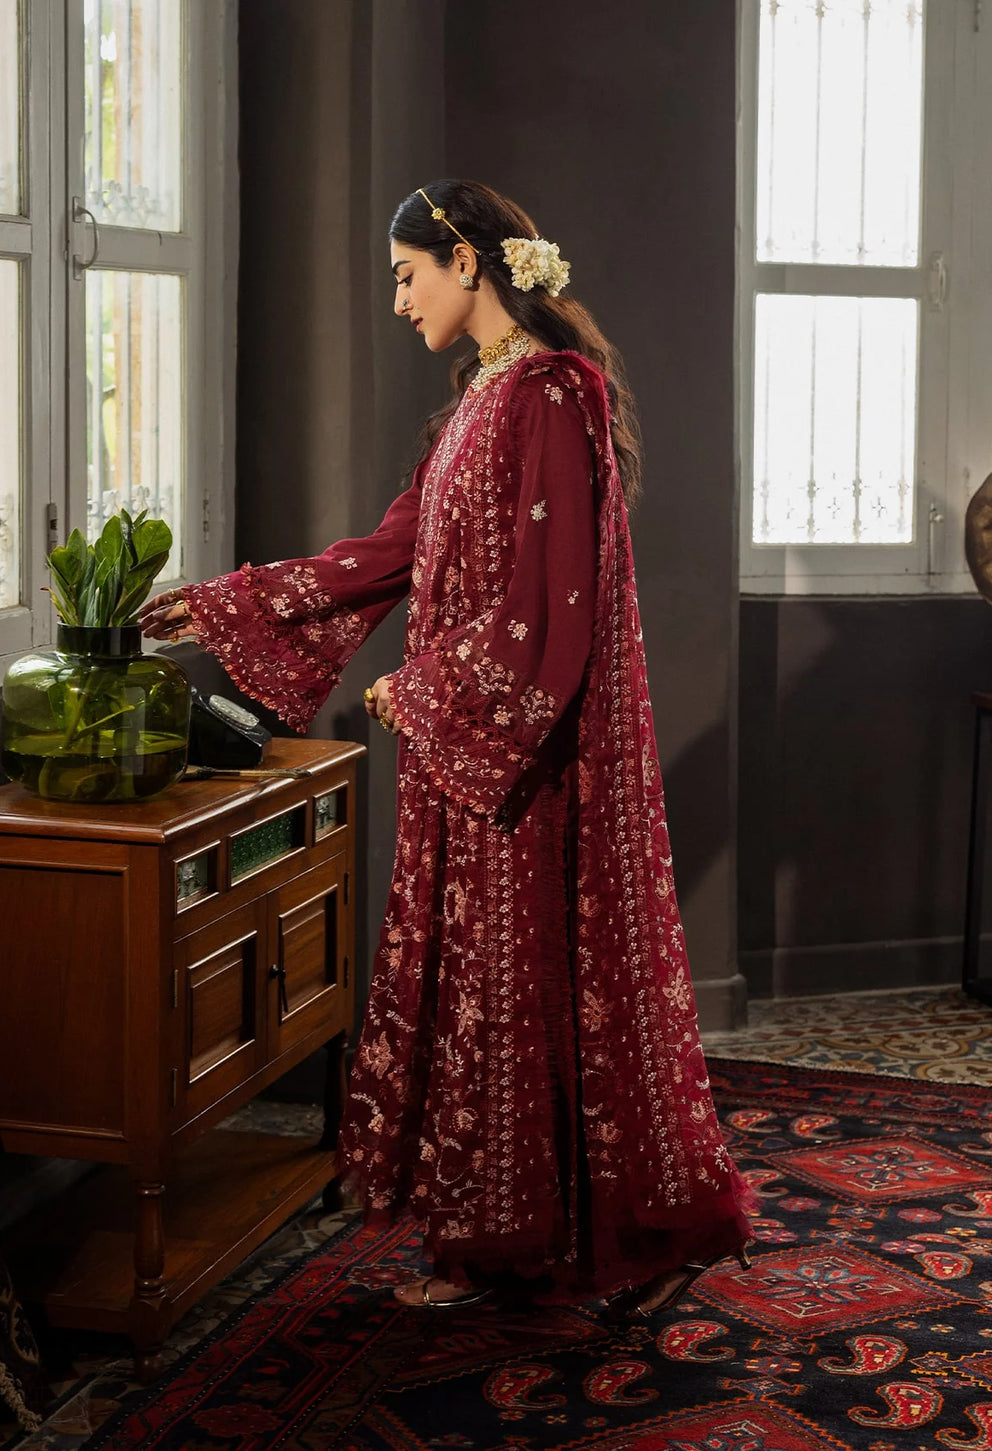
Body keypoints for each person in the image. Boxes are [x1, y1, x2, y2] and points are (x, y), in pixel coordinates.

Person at [140, 180, 754, 1316]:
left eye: (403, 273)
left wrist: (426, 688)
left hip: (520, 755)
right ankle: (494, 1229)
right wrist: (226, 602)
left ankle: (523, 1242)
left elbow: (551, 605)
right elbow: (392, 549)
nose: (394, 299)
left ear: (466, 260)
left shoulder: (552, 394)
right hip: (463, 744)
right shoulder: (483, 395)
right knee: (480, 978)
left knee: (514, 977)